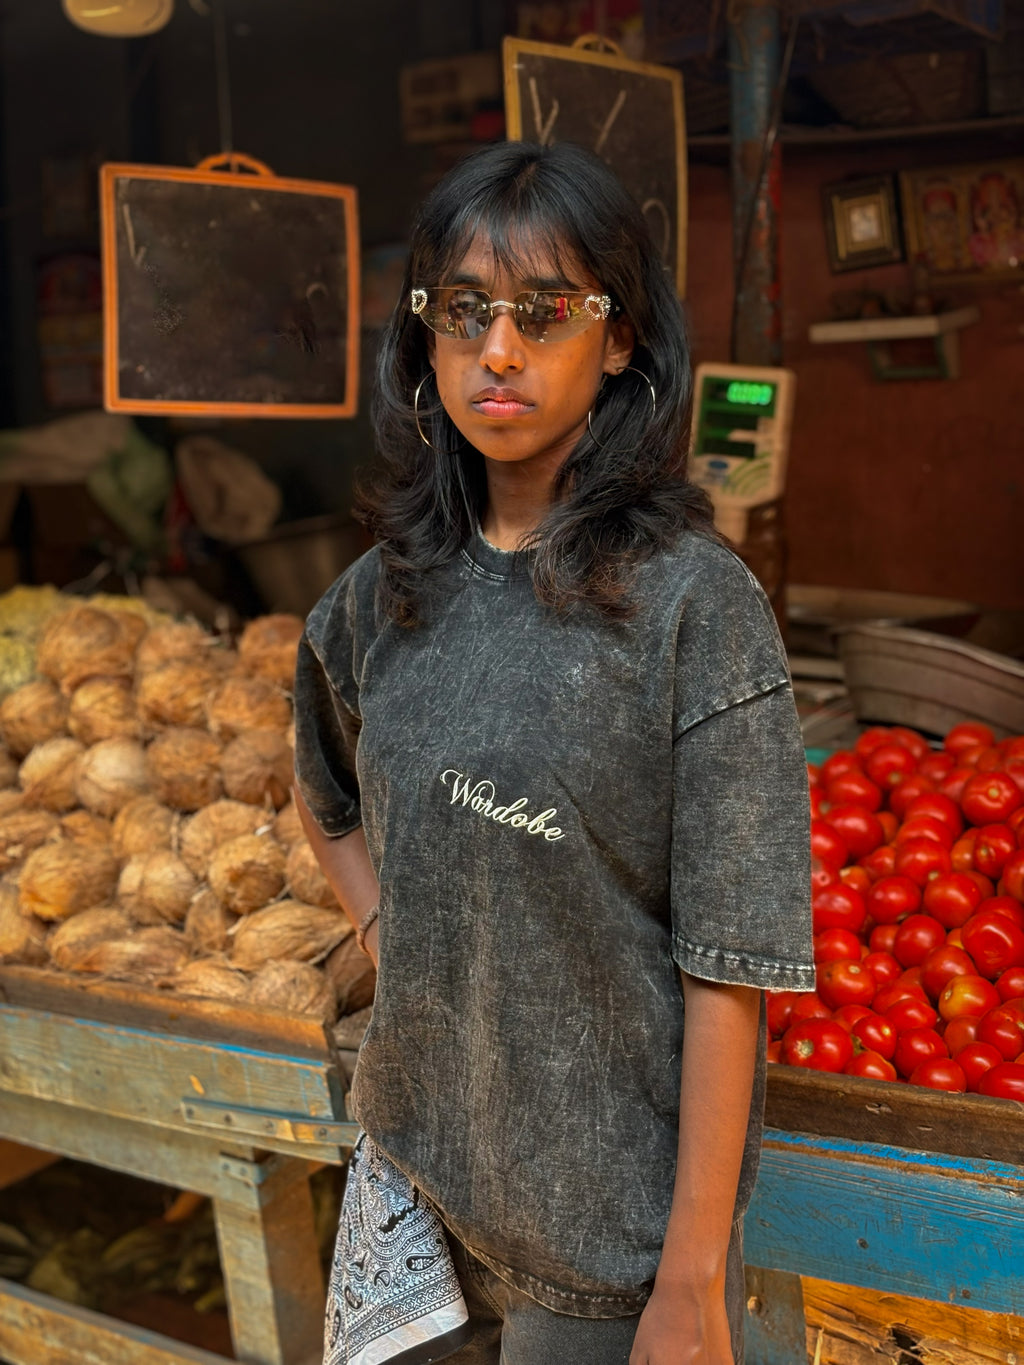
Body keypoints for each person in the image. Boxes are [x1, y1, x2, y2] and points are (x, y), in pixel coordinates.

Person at [293, 139, 814, 1365]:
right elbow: (323, 794)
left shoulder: (697, 607)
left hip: (607, 1235)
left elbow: (728, 966)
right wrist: (388, 932)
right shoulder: (381, 597)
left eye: (544, 312)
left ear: (618, 338)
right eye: (464, 311)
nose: (500, 351)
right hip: (419, 1174)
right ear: (424, 338)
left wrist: (690, 1279)